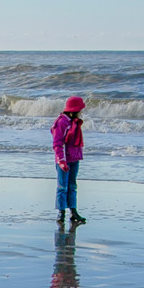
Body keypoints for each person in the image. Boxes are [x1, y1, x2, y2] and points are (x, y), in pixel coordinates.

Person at [51, 96, 87, 225]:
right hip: (64, 160)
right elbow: (57, 144)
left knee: (72, 185)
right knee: (62, 186)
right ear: (73, 110)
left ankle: (73, 211)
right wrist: (61, 160)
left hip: (74, 158)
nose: (81, 112)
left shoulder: (74, 122)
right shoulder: (61, 123)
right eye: (79, 110)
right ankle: (61, 212)